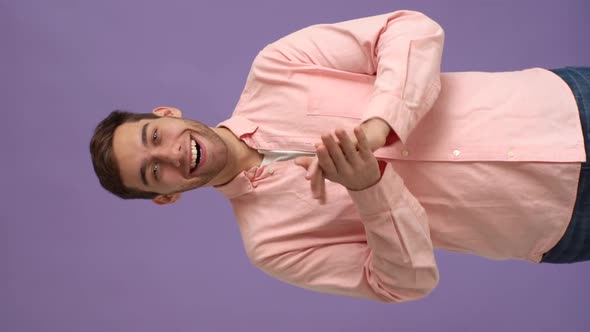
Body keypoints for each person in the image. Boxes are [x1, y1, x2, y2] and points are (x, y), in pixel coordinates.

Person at [89, 10, 590, 303]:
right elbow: (405, 284)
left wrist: (380, 126)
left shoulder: (277, 67)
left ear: (167, 112)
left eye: (155, 136)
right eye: (154, 173)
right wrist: (370, 187)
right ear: (166, 198)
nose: (173, 154)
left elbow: (408, 27)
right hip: (561, 223)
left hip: (562, 105)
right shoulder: (272, 245)